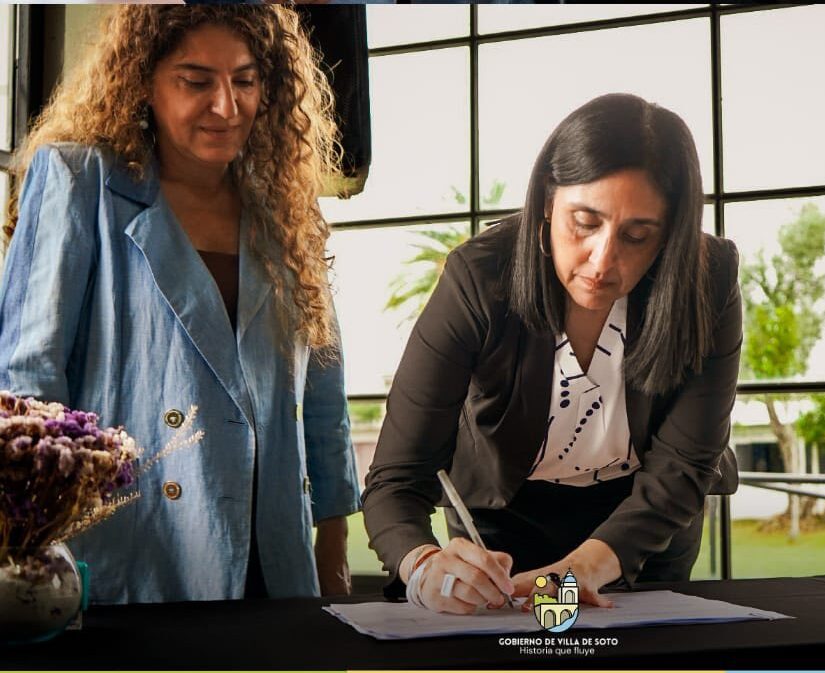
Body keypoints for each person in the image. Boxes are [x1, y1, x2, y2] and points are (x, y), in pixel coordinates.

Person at [0, 5, 360, 604]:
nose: (227, 105)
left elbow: (321, 400)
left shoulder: (286, 213)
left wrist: (332, 554)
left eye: (245, 80)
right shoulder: (78, 180)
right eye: (196, 82)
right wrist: (31, 551)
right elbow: (26, 385)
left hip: (277, 565)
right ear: (143, 80)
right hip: (133, 555)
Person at [362, 93, 741, 614]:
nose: (603, 261)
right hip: (505, 525)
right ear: (546, 200)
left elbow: (685, 463)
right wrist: (426, 566)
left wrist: (586, 567)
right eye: (584, 222)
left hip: (645, 520)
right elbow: (397, 479)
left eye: (637, 235)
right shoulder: (479, 279)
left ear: (670, 232)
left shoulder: (708, 278)